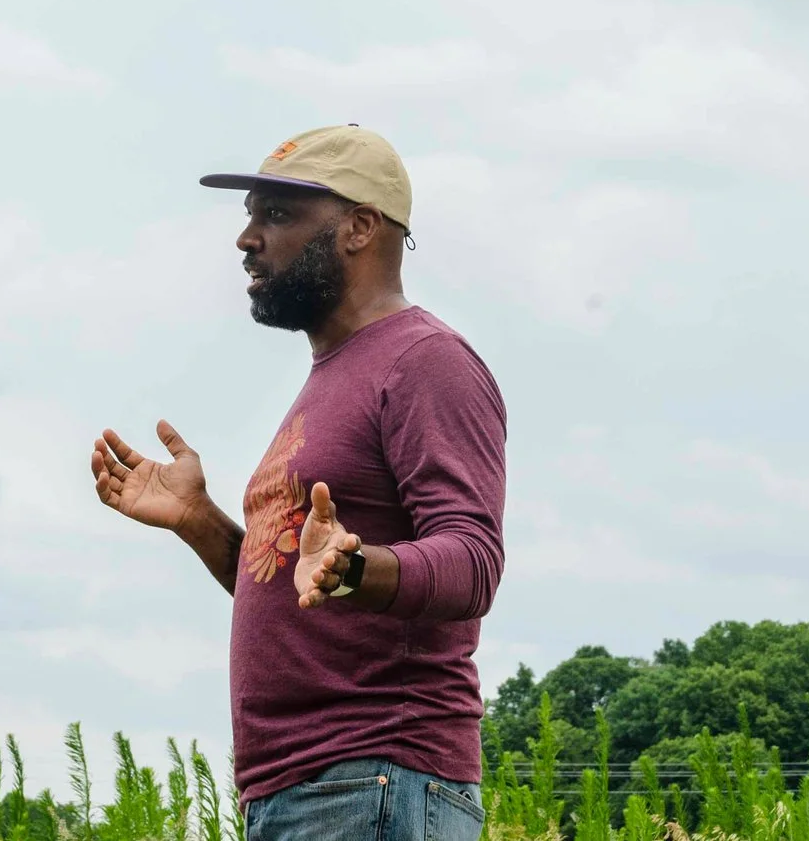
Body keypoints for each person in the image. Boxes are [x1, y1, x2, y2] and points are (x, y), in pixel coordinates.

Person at [91, 126, 507, 841]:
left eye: (276, 214)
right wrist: (198, 519)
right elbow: (304, 585)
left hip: (375, 781)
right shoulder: (332, 377)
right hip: (310, 793)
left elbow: (473, 561)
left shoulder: (424, 361)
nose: (246, 238)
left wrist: (356, 567)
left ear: (360, 227)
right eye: (249, 215)